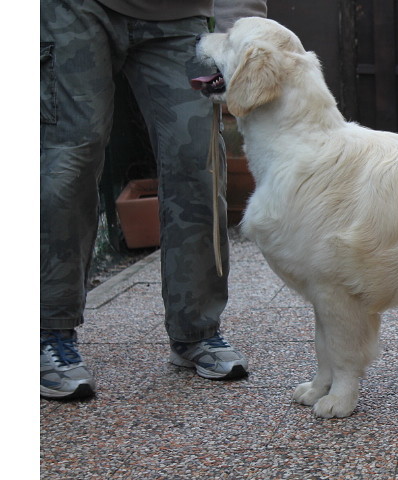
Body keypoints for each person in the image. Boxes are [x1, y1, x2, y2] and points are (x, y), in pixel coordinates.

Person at [40, 0, 266, 400]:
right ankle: (47, 330)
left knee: (198, 162)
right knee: (68, 163)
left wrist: (239, 36)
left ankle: (196, 331)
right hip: (74, 10)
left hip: (177, 16)